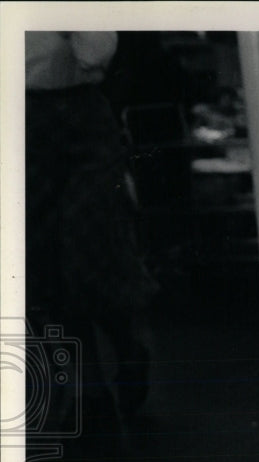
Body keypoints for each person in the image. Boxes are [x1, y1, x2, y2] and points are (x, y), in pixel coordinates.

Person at [25, 32, 158, 435]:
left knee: (89, 247)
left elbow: (96, 48)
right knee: (43, 258)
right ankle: (90, 389)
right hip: (17, 121)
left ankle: (128, 345)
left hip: (79, 113)